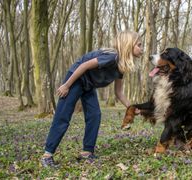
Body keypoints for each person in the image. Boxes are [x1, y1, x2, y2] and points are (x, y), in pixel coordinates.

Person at [41, 30, 143, 167]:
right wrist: (66, 85)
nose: (142, 49)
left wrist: (132, 108)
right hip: (76, 79)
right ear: (128, 45)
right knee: (63, 115)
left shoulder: (121, 67)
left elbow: (119, 92)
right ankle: (47, 155)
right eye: (139, 45)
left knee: (94, 115)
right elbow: (83, 65)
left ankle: (87, 152)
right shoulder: (112, 57)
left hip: (88, 85)